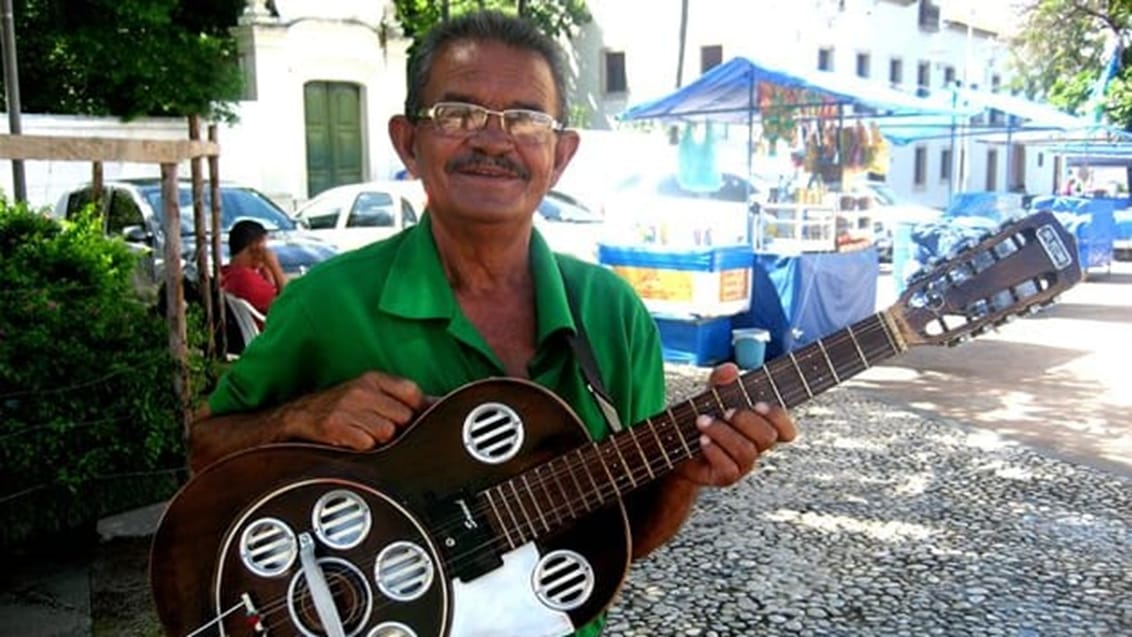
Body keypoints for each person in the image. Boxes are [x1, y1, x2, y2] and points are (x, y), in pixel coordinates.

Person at [189, 10, 795, 636]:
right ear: (407, 143)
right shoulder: (325, 304)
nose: (493, 139)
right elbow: (203, 447)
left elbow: (619, 542)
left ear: (559, 156)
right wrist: (299, 418)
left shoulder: (613, 314)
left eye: (526, 120)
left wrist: (684, 475)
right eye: (458, 113)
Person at [219, 219, 286, 321]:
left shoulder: (227, 272)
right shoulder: (246, 279)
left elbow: (270, 289)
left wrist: (265, 267)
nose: (266, 250)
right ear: (255, 247)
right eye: (264, 246)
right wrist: (274, 266)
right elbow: (290, 302)